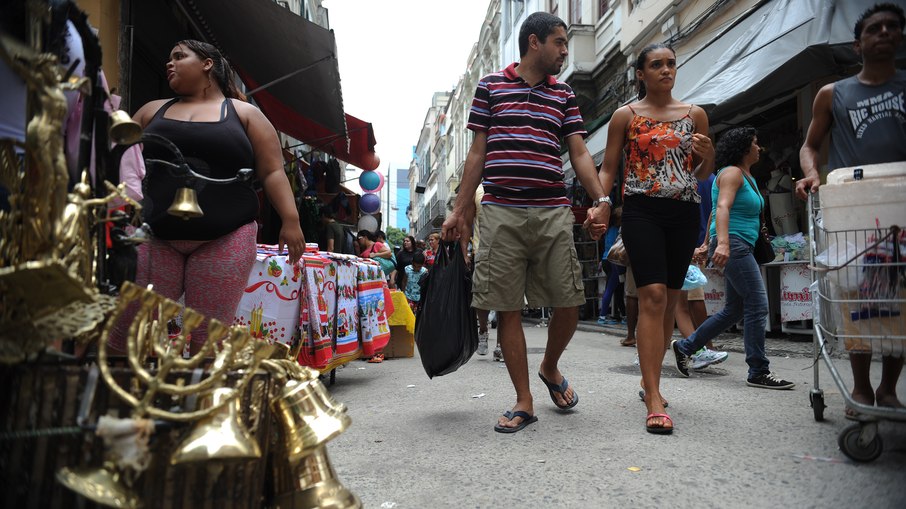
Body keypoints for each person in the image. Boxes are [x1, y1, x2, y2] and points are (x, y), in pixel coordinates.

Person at [442, 12, 608, 434]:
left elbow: (579, 153)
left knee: (571, 299)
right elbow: (476, 154)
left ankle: (550, 367)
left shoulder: (564, 94)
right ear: (534, 42)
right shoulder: (490, 87)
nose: (565, 50)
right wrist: (460, 211)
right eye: (559, 41)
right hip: (500, 210)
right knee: (507, 306)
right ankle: (524, 401)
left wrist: (601, 198)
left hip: (552, 210)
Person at [109, 40, 304, 355]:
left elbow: (272, 171)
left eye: (179, 56)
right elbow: (123, 164)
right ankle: (118, 401)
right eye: (168, 58)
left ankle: (202, 402)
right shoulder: (149, 110)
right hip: (154, 235)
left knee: (208, 341)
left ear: (207, 64)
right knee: (128, 333)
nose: (169, 64)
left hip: (226, 237)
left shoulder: (245, 114)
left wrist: (291, 220)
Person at [592, 42, 715, 434]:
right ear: (641, 74)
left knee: (670, 301)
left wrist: (708, 155)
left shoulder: (695, 115)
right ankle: (655, 395)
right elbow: (609, 167)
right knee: (654, 296)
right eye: (656, 65)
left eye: (671, 64)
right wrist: (601, 203)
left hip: (683, 211)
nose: (666, 70)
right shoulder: (624, 116)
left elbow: (699, 174)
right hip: (642, 209)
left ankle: (651, 382)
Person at [797, 3, 906, 418]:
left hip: (900, 205)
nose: (884, 33)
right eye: (874, 28)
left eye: (892, 27)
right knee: (859, 298)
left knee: (901, 297)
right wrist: (811, 174)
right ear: (858, 44)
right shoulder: (834, 94)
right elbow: (810, 145)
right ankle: (861, 387)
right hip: (854, 209)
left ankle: (889, 388)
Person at [669, 126, 794, 392]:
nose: (759, 148)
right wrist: (721, 242)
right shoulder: (732, 173)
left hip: (741, 243)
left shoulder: (746, 175)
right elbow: (722, 206)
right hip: (734, 244)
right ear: (744, 147)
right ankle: (758, 370)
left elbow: (716, 210)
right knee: (757, 305)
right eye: (755, 143)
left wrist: (708, 242)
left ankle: (685, 347)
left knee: (734, 309)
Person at [675, 172, 729, 369]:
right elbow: (715, 211)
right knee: (691, 299)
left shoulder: (683, 176)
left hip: (685, 243)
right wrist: (706, 241)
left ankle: (697, 349)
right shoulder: (713, 178)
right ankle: (702, 348)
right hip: (694, 242)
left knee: (682, 302)